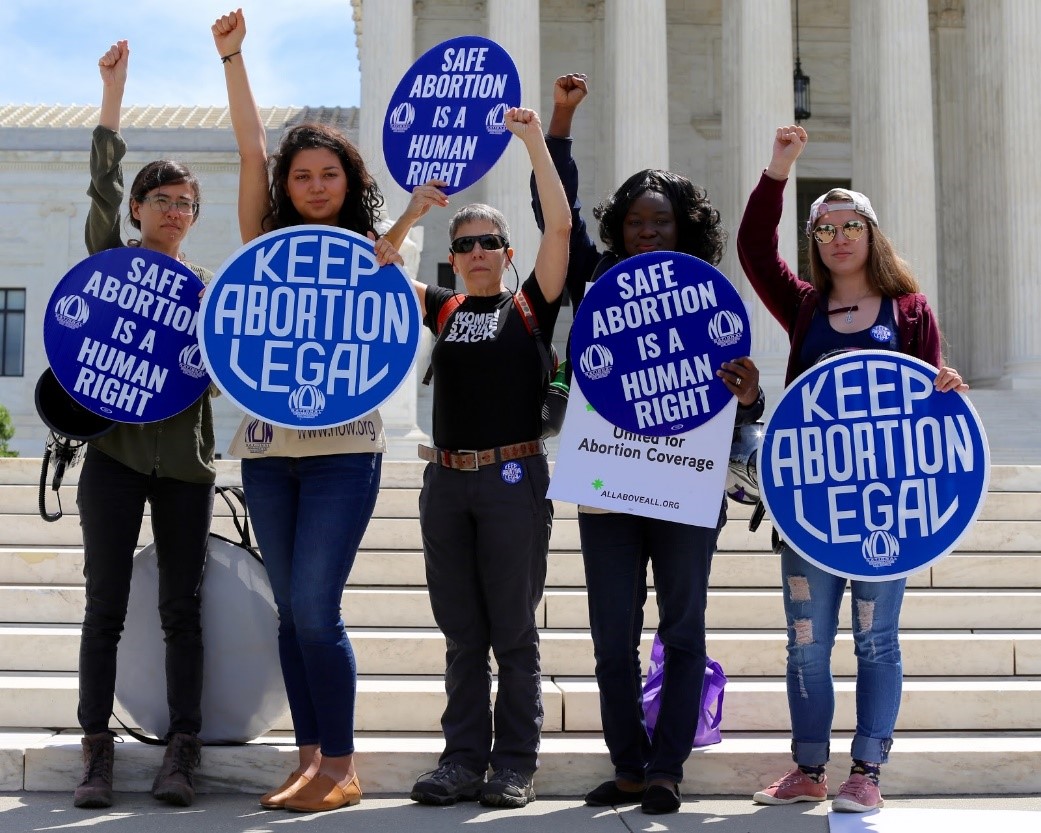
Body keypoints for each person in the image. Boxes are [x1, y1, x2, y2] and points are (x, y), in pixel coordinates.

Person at [530, 74, 765, 815]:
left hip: (685, 483)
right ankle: (628, 764)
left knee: (683, 627)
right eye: (634, 222)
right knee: (611, 635)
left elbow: (735, 405)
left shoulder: (706, 295)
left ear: (682, 228)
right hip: (608, 485)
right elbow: (554, 211)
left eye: (660, 221)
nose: (646, 232)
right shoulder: (594, 279)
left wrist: (750, 395)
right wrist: (559, 123)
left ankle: (666, 768)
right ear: (619, 229)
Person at [739, 125, 968, 813]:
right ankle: (808, 767)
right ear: (815, 240)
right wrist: (778, 170)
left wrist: (946, 384)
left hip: (885, 509)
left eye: (851, 226)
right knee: (806, 643)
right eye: (826, 228)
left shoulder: (908, 310)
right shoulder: (806, 305)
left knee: (876, 639)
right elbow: (753, 250)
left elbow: (928, 400)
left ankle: (866, 770)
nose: (838, 237)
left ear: (871, 234)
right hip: (810, 505)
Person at [211, 8, 404, 814]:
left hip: (344, 452)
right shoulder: (263, 242)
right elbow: (251, 150)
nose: (315, 186)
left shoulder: (376, 250)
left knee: (317, 610)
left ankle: (343, 765)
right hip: (267, 449)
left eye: (328, 173)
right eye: (302, 176)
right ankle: (309, 760)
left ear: (348, 181)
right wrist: (234, 60)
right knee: (291, 615)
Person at [380, 103, 571, 809]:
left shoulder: (530, 307)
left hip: (512, 479)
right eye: (466, 245)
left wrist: (533, 141)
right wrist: (411, 211)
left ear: (507, 252)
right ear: (453, 258)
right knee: (462, 634)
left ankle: (514, 764)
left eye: (491, 241)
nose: (479, 251)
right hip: (446, 482)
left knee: (513, 634)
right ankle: (461, 760)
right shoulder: (444, 309)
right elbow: (376, 260)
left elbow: (560, 227)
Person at [73, 40, 214, 810]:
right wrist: (112, 98)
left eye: (184, 201)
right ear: (137, 209)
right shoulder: (112, 265)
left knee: (181, 611)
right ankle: (96, 748)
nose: (172, 209)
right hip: (116, 461)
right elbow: (99, 185)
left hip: (186, 467)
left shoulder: (207, 291)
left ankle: (182, 749)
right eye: (159, 197)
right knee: (105, 606)